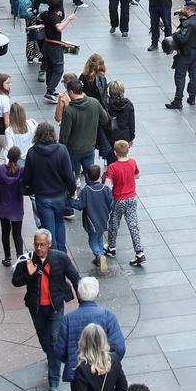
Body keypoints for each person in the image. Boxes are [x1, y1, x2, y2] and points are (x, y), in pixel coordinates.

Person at [12, 228, 83, 391]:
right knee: (44, 340)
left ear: (49, 244)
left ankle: (54, 381)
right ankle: (52, 358)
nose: (39, 248)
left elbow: (75, 278)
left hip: (55, 307)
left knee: (53, 341)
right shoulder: (27, 260)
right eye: (36, 244)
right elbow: (15, 281)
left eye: (42, 245)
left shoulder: (60, 258)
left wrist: (82, 302)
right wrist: (30, 275)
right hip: (36, 308)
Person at [57, 276, 127, 383]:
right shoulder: (107, 316)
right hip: (103, 369)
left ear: (79, 294)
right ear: (97, 293)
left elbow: (60, 351)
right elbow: (119, 348)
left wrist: (71, 359)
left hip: (77, 371)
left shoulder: (68, 319)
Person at [21, 122, 77, 255]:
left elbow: (27, 178)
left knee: (48, 230)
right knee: (59, 223)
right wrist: (72, 190)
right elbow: (69, 174)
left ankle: (55, 258)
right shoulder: (62, 150)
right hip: (59, 196)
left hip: (42, 197)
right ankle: (62, 255)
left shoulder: (32, 153)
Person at [58, 79, 106, 215]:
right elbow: (105, 119)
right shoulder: (94, 103)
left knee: (68, 178)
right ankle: (94, 204)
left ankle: (68, 209)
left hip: (72, 151)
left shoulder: (69, 111)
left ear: (71, 92)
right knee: (91, 177)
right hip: (89, 149)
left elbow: (64, 137)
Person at [104, 139, 147, 267]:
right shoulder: (133, 162)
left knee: (114, 223)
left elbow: (106, 185)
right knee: (133, 224)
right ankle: (139, 252)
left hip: (118, 199)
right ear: (127, 151)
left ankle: (111, 247)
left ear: (115, 153)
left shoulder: (112, 167)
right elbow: (137, 175)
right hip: (132, 198)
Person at [164, 4, 196, 109]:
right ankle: (192, 97)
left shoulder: (188, 24)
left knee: (180, 76)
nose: (182, 10)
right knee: (194, 74)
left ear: (187, 10)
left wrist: (176, 34)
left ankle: (178, 100)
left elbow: (182, 39)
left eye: (184, 9)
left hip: (186, 53)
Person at [0, 145, 26, 266]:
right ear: (18, 158)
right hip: (16, 207)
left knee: (5, 232)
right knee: (17, 234)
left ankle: (7, 258)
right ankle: (20, 257)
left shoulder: (0, 170)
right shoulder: (21, 171)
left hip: (4, 206)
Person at [78, 164, 115, 271]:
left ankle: (99, 255)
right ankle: (100, 255)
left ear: (87, 176)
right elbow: (111, 204)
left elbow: (80, 206)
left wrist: (71, 201)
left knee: (92, 240)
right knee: (99, 237)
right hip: (103, 220)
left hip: (91, 222)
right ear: (99, 175)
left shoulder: (86, 190)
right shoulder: (105, 189)